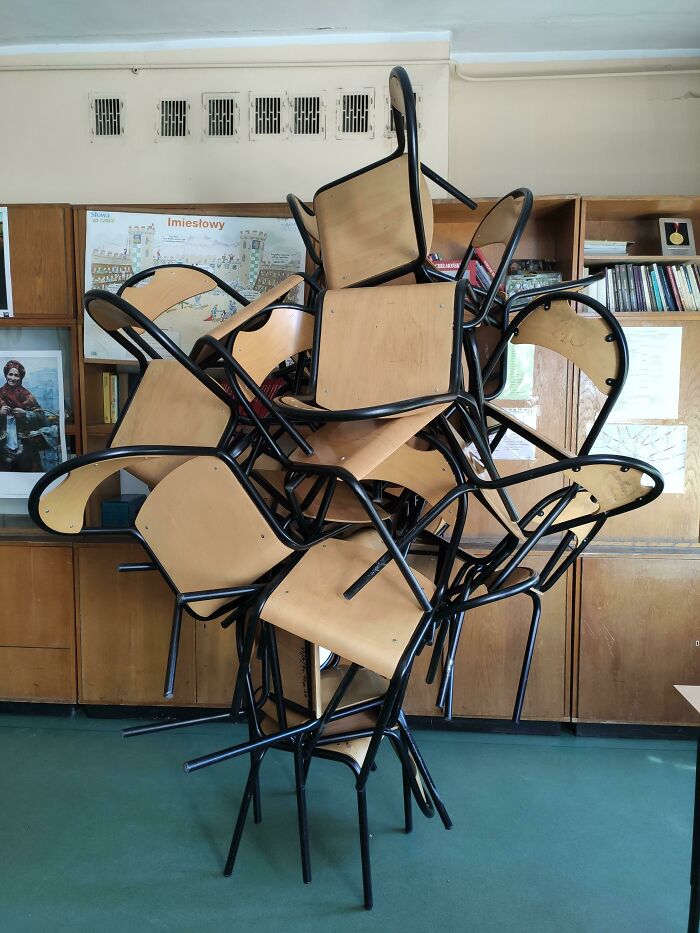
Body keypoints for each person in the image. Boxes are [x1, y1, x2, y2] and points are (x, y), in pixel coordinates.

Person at [0, 359, 49, 472]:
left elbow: (41, 416)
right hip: (1, 447)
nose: (12, 378)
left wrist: (25, 414)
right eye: (10, 374)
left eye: (16, 375)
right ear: (6, 375)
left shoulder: (28, 396)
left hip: (25, 446)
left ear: (21, 377)